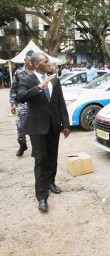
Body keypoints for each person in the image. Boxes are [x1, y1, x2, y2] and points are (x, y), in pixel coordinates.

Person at [17, 52, 70, 212]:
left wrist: (65, 124)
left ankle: (51, 182)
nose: (48, 63)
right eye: (45, 61)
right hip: (37, 127)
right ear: (36, 64)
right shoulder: (27, 80)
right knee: (40, 159)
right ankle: (42, 196)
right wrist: (41, 86)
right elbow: (21, 97)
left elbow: (60, 102)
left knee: (52, 156)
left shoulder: (55, 79)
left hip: (53, 125)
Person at [9, 50, 35, 157]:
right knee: (20, 127)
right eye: (26, 60)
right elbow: (13, 89)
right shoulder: (18, 73)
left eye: (30, 60)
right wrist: (13, 103)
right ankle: (22, 145)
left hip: (34, 104)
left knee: (34, 128)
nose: (28, 62)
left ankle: (35, 148)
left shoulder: (37, 73)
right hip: (23, 104)